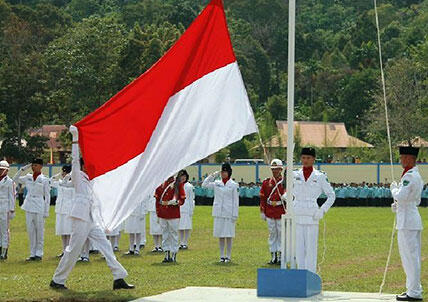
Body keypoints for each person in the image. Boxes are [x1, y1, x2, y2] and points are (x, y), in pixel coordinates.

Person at [50, 125, 134, 290]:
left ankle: (119, 277)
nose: (91, 166)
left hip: (91, 218)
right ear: (83, 166)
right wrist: (75, 139)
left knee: (106, 245)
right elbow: (75, 160)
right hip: (80, 217)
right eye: (88, 164)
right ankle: (58, 280)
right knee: (73, 250)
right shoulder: (78, 176)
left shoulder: (91, 181)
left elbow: (97, 203)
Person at [292, 147, 335, 273]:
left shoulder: (320, 176)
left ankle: (310, 274)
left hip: (312, 215)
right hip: (298, 213)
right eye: (303, 158)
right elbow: (288, 191)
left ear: (314, 159)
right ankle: (300, 274)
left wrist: (322, 210)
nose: (305, 160)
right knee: (299, 248)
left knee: (311, 248)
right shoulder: (294, 174)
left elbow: (331, 195)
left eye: (308, 158)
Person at [390, 146, 424, 301]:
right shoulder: (414, 175)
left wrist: (393, 189)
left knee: (410, 258)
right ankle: (413, 288)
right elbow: (411, 199)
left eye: (404, 157)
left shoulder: (409, 176)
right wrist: (398, 205)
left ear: (411, 158)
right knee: (410, 257)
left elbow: (402, 196)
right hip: (409, 217)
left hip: (408, 221)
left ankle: (414, 292)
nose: (401, 160)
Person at [13, 158, 50, 261]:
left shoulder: (44, 179)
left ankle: (39, 253)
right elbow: (15, 179)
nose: (33, 167)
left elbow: (47, 196)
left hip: (39, 206)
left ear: (41, 166)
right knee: (31, 231)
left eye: (35, 165)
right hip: (29, 205)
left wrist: (46, 211)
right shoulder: (28, 177)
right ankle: (32, 253)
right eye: (32, 165)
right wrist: (23, 169)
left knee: (39, 231)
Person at [202, 163, 239, 263]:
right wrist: (213, 175)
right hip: (218, 212)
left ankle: (229, 256)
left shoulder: (233, 185)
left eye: (225, 172)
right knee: (221, 235)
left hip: (229, 212)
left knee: (229, 235)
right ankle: (222, 255)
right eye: (222, 172)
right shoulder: (217, 183)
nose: (223, 174)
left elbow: (235, 201)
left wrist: (235, 214)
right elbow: (204, 185)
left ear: (229, 173)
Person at [259, 159, 286, 265]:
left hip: (280, 210)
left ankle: (280, 255)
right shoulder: (266, 182)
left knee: (280, 233)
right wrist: (262, 211)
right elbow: (262, 198)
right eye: (273, 169)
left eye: (277, 169)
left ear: (281, 169)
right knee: (272, 233)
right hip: (270, 210)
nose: (275, 171)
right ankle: (273, 255)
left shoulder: (285, 182)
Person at [155, 174, 186, 263]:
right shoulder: (161, 183)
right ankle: (166, 254)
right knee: (165, 234)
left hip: (173, 213)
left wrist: (175, 202)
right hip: (163, 213)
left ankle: (173, 254)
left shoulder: (177, 183)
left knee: (173, 234)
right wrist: (158, 212)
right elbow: (157, 200)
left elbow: (182, 199)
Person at [51, 165, 74, 258]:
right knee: (62, 231)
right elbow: (50, 181)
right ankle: (64, 250)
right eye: (63, 172)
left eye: (65, 172)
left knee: (68, 232)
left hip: (69, 210)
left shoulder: (73, 183)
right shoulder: (60, 182)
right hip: (60, 209)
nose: (63, 174)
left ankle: (69, 250)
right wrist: (57, 175)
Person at [0, 160, 15, 260]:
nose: (0, 171)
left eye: (2, 169)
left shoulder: (9, 181)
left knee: (4, 231)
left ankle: (4, 251)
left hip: (4, 208)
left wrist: (12, 210)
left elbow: (12, 196)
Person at [178, 170, 195, 250]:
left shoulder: (189, 186)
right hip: (179, 208)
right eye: (181, 176)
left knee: (187, 226)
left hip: (187, 208)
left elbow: (192, 199)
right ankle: (181, 242)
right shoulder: (176, 186)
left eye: (184, 176)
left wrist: (191, 210)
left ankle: (185, 242)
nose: (183, 178)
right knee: (180, 227)